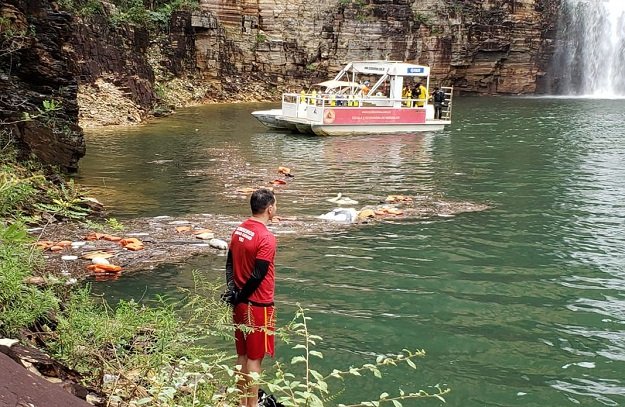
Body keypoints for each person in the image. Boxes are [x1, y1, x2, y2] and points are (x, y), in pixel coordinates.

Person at [224, 188, 278, 407]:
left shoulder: (239, 230)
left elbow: (229, 263)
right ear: (269, 208)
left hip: (240, 303)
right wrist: (241, 295)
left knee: (242, 355)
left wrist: (234, 292)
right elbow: (258, 274)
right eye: (276, 205)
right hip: (258, 305)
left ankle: (241, 402)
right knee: (255, 358)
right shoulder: (266, 237)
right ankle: (252, 405)